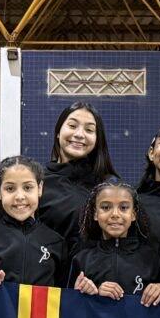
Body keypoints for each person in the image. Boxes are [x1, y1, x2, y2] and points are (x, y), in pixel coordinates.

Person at [0, 157, 68, 288]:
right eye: (10, 189)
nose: (19, 196)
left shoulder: (56, 242)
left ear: (40, 188)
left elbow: (63, 295)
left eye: (28, 187)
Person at [69, 180, 160, 304]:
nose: (115, 214)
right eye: (106, 207)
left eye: (123, 208)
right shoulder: (81, 260)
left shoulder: (151, 259)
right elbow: (69, 307)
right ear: (95, 214)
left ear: (133, 214)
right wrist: (88, 293)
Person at [38, 102, 115, 239]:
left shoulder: (110, 185)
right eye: (72, 126)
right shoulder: (37, 182)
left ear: (97, 139)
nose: (79, 134)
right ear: (58, 132)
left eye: (89, 130)